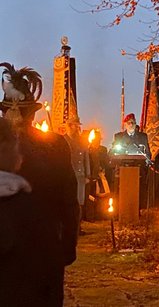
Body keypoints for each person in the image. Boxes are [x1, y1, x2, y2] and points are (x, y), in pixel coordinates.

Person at [0, 63, 79, 306]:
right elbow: (69, 204)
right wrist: (66, 249)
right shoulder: (54, 146)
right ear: (33, 114)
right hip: (44, 253)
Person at [64, 116, 90, 223]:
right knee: (68, 201)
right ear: (70, 127)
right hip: (67, 175)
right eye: (75, 126)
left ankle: (78, 226)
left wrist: (87, 175)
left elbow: (86, 158)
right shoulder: (63, 140)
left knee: (79, 202)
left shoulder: (81, 141)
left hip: (80, 175)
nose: (77, 128)